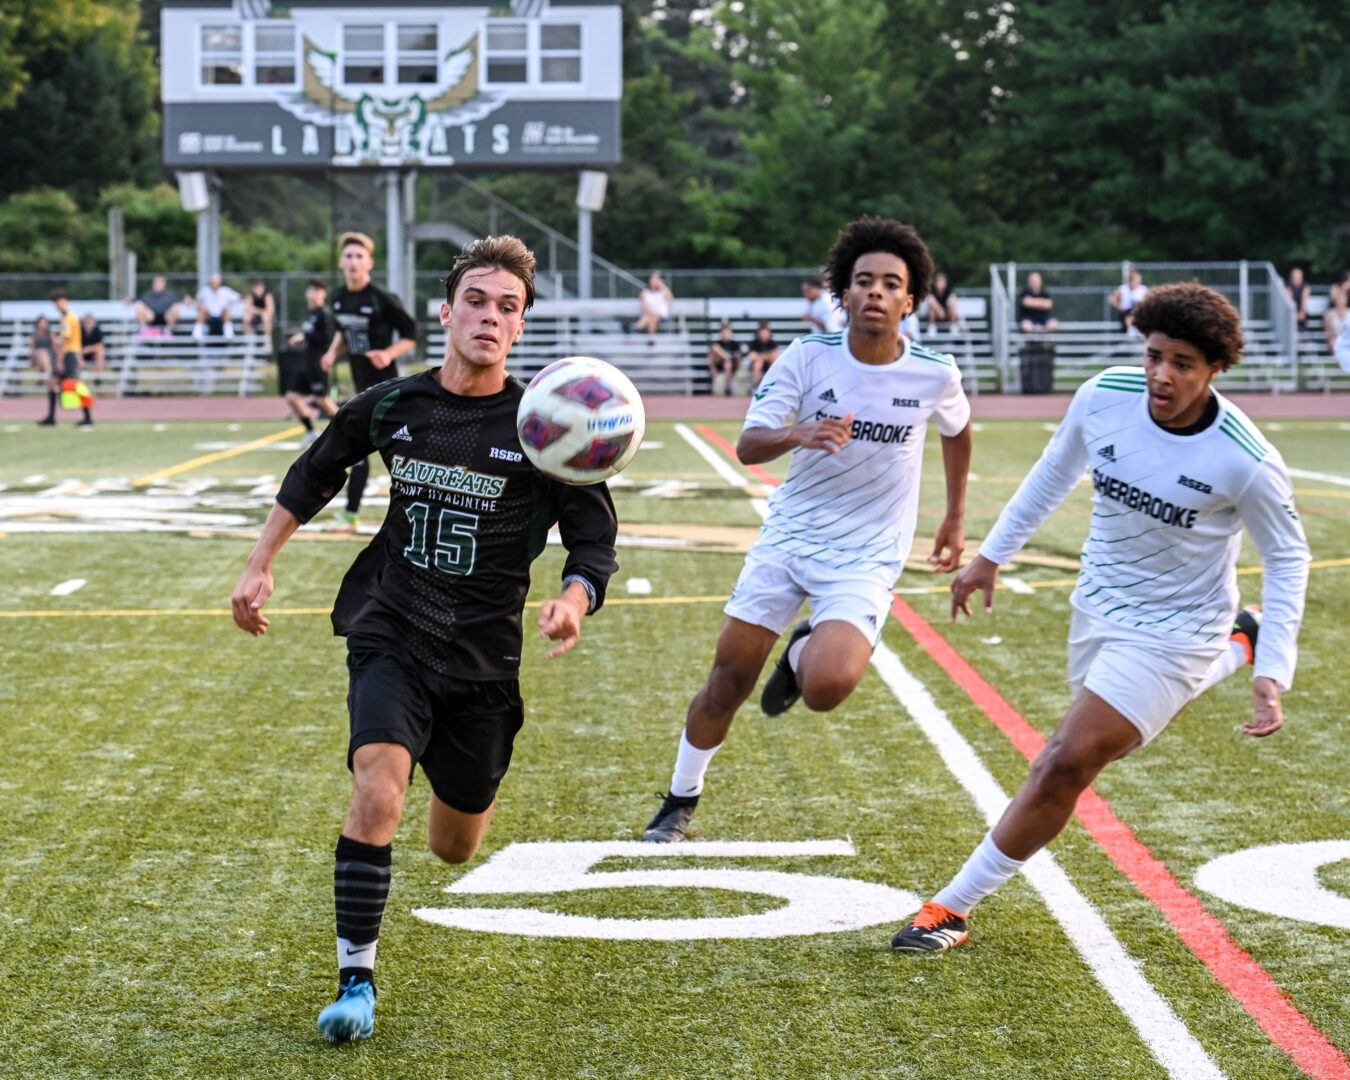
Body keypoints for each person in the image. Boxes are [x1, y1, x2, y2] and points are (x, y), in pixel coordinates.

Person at [230, 235, 618, 1044]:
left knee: (453, 845)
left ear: (520, 328)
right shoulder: (395, 405)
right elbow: (317, 468)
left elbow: (593, 540)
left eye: (507, 307)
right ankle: (356, 980)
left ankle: (459, 794)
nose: (489, 316)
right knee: (377, 788)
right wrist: (260, 561)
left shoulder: (545, 430)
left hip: (482, 663)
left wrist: (576, 599)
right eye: (476, 300)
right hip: (391, 628)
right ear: (446, 312)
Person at [892, 282, 1310, 954]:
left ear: (1215, 370)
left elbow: (1289, 558)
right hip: (1097, 607)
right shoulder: (1104, 396)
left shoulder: (1246, 459)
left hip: (1177, 630)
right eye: (1154, 356)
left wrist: (1277, 673)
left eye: (1182, 364)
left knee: (1066, 760)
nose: (1161, 376)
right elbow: (1051, 474)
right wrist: (989, 558)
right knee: (1112, 739)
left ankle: (952, 908)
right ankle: (1239, 645)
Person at [641, 216, 973, 843]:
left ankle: (800, 654)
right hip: (791, 538)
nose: (875, 292)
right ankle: (681, 798)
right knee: (729, 681)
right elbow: (747, 445)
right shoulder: (807, 356)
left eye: (890, 283)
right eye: (862, 281)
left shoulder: (935, 373)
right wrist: (799, 432)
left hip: (868, 554)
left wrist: (954, 515)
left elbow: (958, 431)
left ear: (910, 299)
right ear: (842, 293)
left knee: (826, 686)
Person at [319, 232, 419, 532]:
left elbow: (411, 333)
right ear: (341, 262)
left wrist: (388, 354)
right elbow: (343, 331)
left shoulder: (380, 299)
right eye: (348, 256)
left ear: (369, 263)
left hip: (387, 389)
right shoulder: (336, 298)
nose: (353, 262)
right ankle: (350, 516)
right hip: (360, 387)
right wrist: (331, 353)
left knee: (399, 456)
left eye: (359, 257)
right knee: (357, 451)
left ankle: (416, 515)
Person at [284, 278, 339, 446]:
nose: (313, 294)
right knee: (291, 396)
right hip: (305, 364)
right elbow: (310, 334)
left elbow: (328, 338)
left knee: (323, 401)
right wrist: (302, 338)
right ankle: (311, 431)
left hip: (318, 363)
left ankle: (349, 429)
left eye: (318, 290)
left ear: (323, 293)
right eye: (311, 290)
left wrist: (305, 336)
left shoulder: (324, 314)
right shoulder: (311, 313)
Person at [38, 291, 92, 428]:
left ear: (65, 301)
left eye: (59, 302)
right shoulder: (69, 318)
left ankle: (88, 418)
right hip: (71, 355)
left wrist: (61, 360)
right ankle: (51, 417)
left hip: (69, 356)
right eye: (55, 303)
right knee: (52, 382)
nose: (57, 305)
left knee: (77, 386)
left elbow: (66, 341)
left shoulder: (68, 319)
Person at [194, 273, 240, 339]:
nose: (213, 284)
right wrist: (198, 305)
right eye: (212, 282)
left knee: (225, 309)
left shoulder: (225, 291)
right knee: (203, 309)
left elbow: (237, 297)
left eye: (215, 282)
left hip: (221, 317)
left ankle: (229, 334)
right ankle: (197, 334)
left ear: (219, 283)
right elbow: (198, 299)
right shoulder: (205, 291)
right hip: (209, 316)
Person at [706, 320, 745, 395]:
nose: (726, 334)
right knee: (715, 348)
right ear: (721, 333)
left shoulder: (735, 344)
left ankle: (728, 387)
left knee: (728, 364)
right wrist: (713, 369)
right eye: (724, 332)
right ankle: (728, 357)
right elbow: (710, 358)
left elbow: (738, 358)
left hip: (732, 366)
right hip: (720, 366)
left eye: (728, 332)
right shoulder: (718, 343)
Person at [746, 321, 780, 388]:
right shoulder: (754, 343)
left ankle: (772, 385)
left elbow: (775, 356)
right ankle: (755, 386)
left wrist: (760, 357)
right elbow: (752, 357)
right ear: (758, 333)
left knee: (773, 362)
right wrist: (767, 356)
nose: (764, 335)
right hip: (756, 365)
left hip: (768, 364)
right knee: (758, 363)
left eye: (765, 333)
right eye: (762, 333)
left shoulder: (772, 343)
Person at [1324, 282, 1348, 355]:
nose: (1340, 300)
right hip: (1336, 339)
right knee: (1335, 343)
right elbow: (1328, 332)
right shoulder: (1329, 314)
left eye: (1342, 298)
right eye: (1339, 298)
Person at [1286, 267, 1309, 331]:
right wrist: (1294, 314)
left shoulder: (1305, 287)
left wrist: (1302, 313)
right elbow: (1290, 301)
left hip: (1303, 313)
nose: (1296, 278)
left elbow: (1304, 301)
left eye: (1298, 277)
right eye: (1295, 276)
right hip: (1291, 313)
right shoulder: (1288, 287)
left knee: (1302, 318)